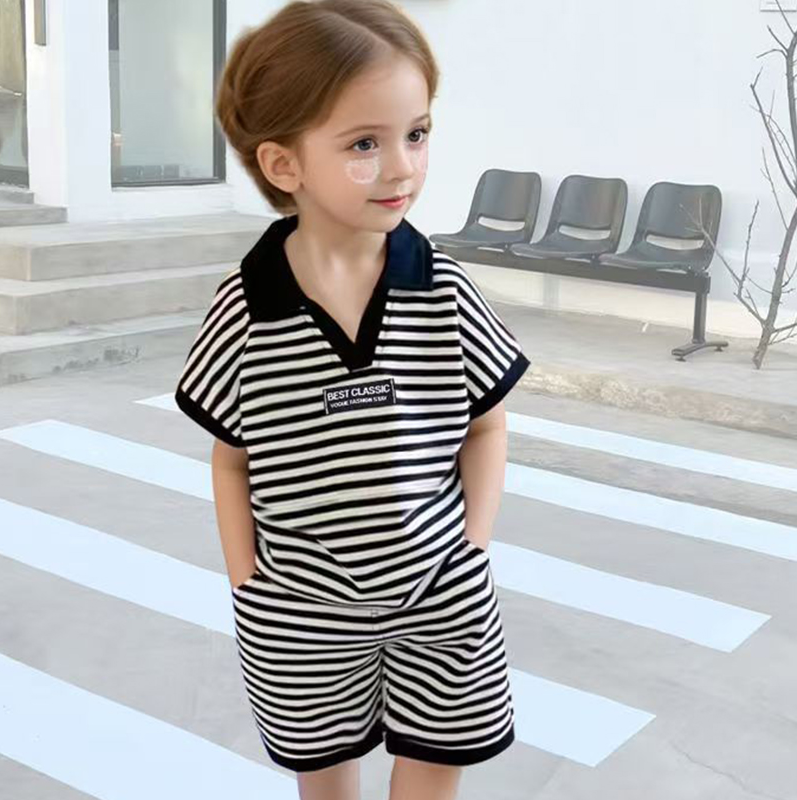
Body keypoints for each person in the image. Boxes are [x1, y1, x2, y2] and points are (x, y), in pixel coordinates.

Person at [174, 2, 531, 798]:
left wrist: (472, 548)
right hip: (298, 613)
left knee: (438, 758)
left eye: (417, 133)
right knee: (324, 774)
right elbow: (231, 461)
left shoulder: (445, 292)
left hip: (441, 596)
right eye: (365, 144)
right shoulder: (245, 311)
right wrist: (247, 582)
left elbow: (487, 427)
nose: (403, 167)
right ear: (284, 164)